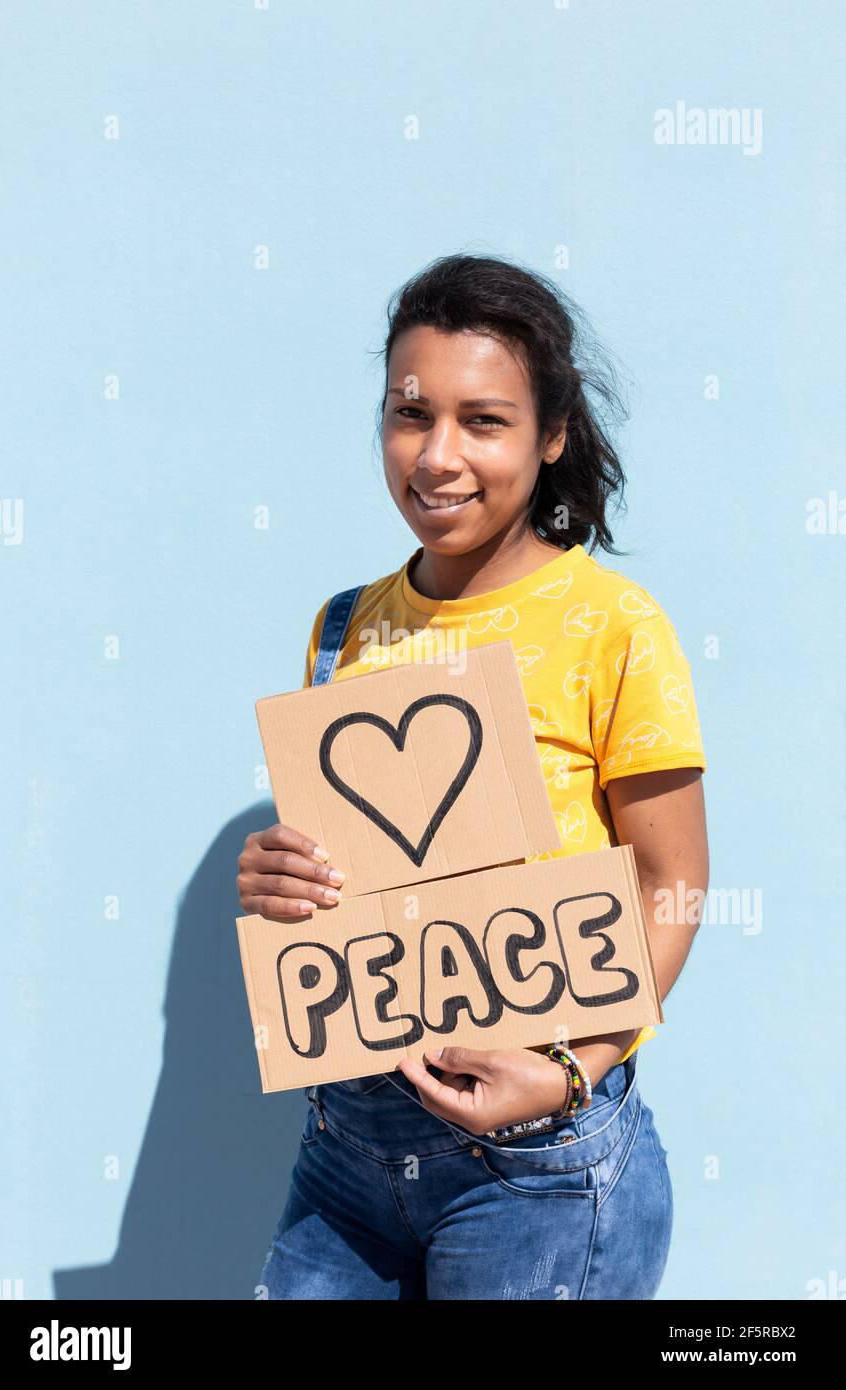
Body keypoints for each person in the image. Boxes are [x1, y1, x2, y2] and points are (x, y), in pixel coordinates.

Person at [238, 252, 710, 1300]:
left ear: (550, 437)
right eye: (410, 414)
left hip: (537, 1168)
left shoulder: (613, 627)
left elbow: (669, 884)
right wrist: (279, 883)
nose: (437, 455)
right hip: (347, 1152)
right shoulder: (341, 627)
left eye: (483, 421)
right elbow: (358, 890)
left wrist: (565, 1069)